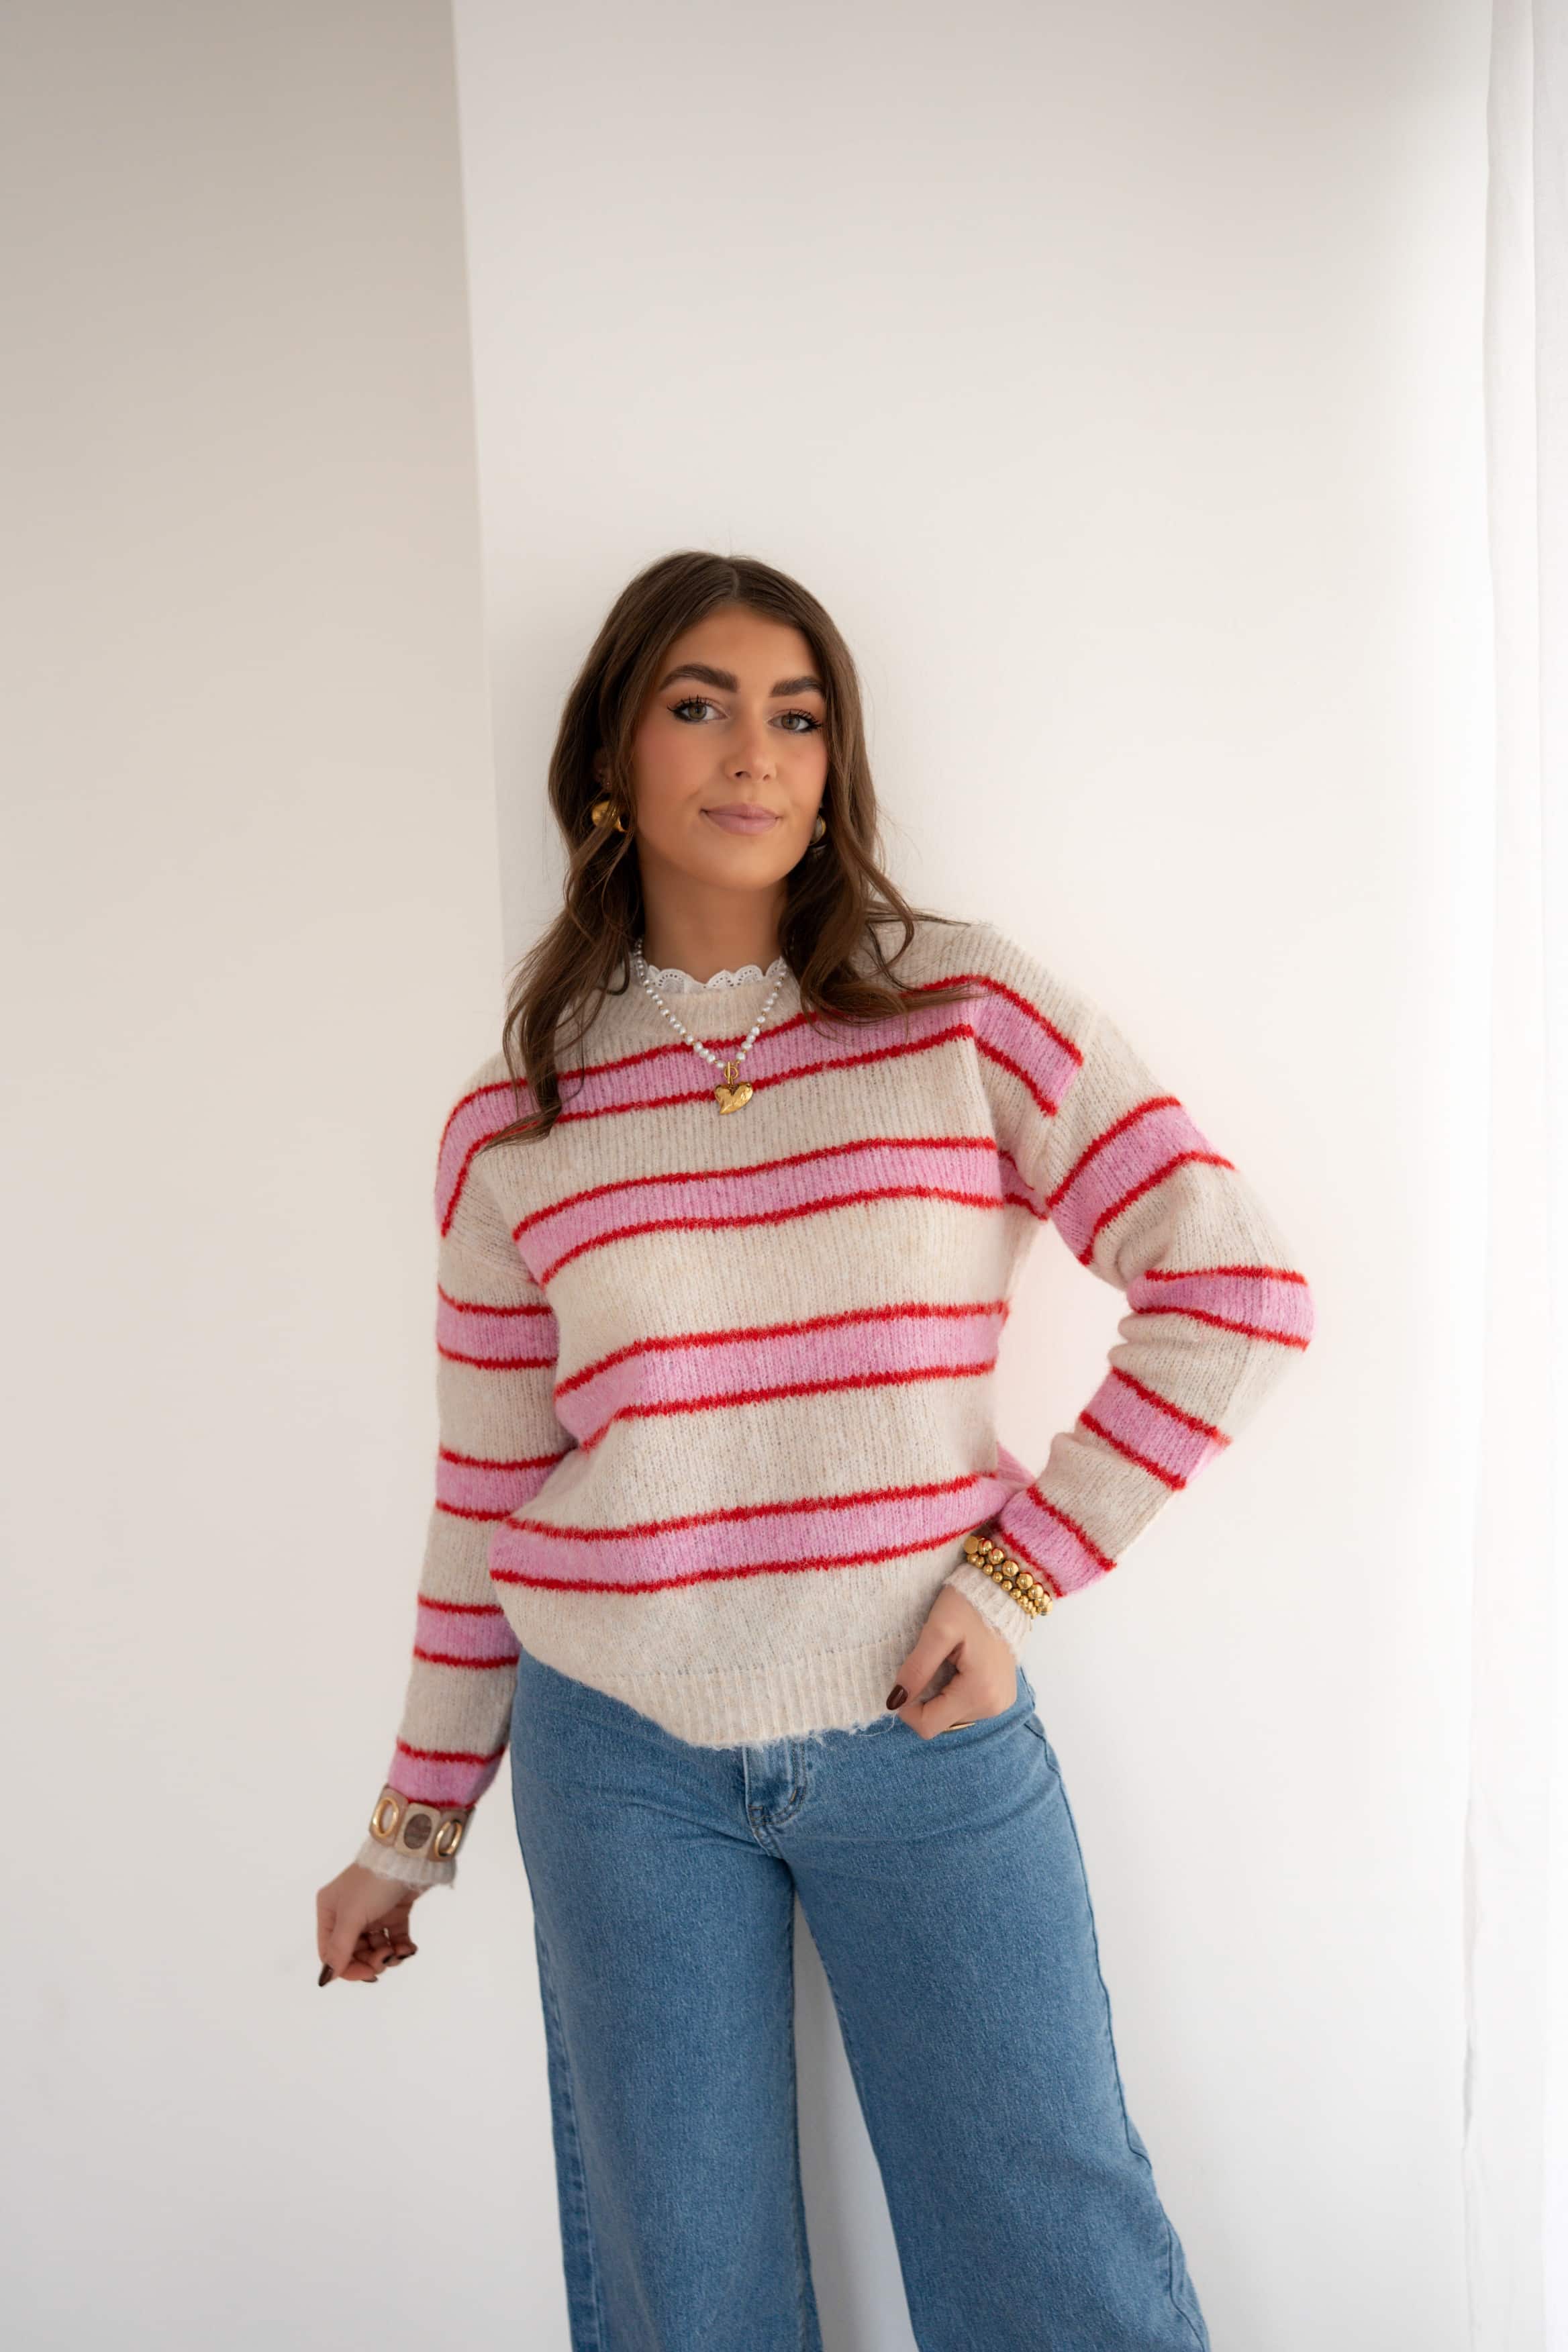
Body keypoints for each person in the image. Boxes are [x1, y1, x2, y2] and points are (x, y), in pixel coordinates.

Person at [315, 549, 1315, 2348]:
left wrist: (1018, 1575)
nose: (755, 753)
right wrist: (413, 1827)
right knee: (685, 2300)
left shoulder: (959, 1008)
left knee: (1053, 2257)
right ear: (610, 758)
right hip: (616, 1757)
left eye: (799, 716)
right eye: (699, 704)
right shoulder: (518, 1115)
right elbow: (486, 1501)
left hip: (919, 1720)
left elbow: (1234, 1287)